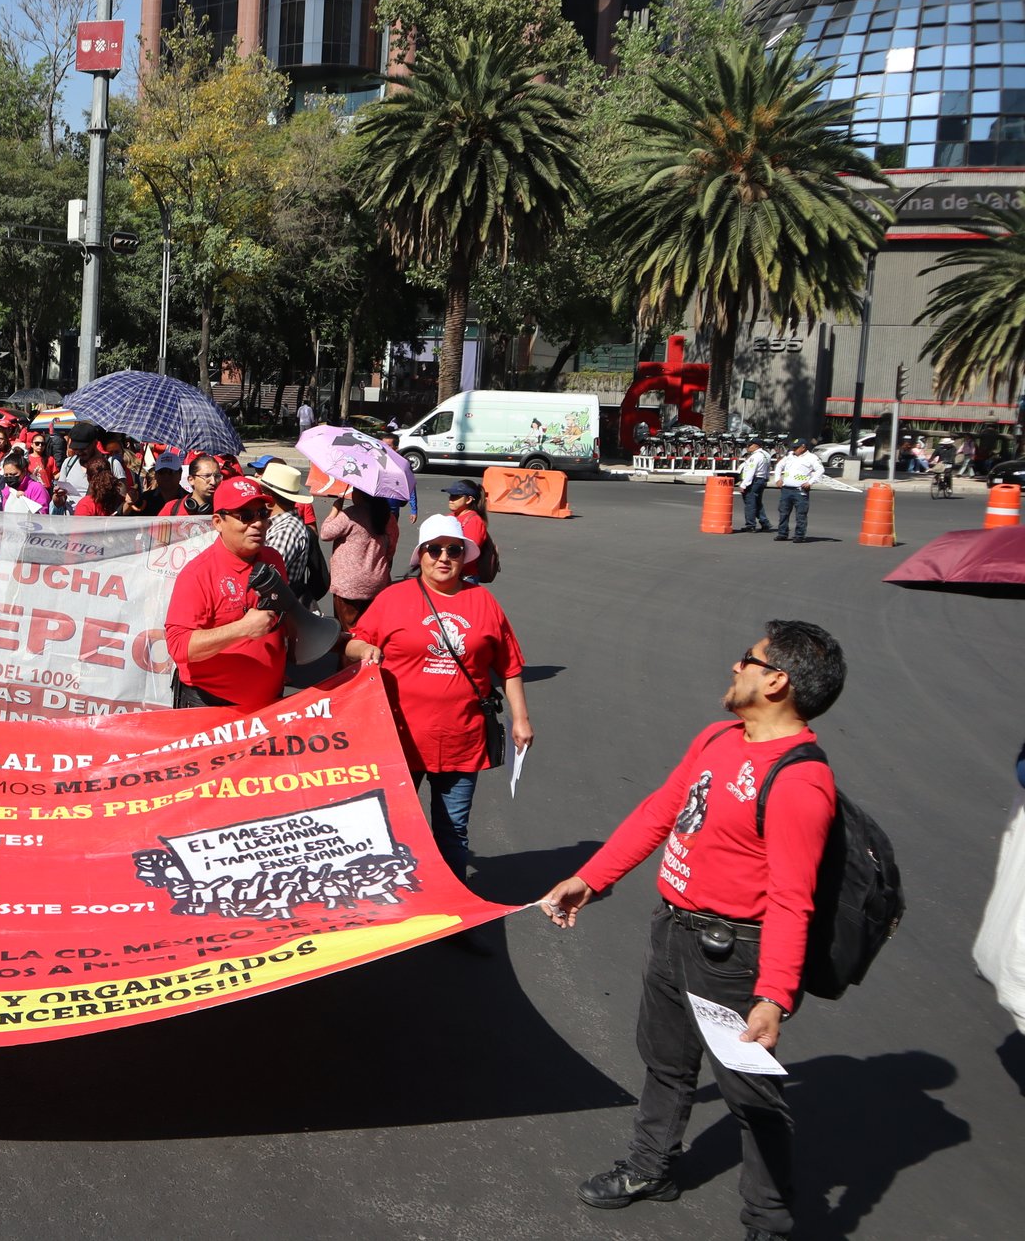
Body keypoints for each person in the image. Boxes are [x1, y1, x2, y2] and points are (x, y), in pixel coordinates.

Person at [539, 622, 846, 1241]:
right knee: (665, 1062)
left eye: (747, 661)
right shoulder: (718, 737)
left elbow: (792, 899)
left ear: (776, 680)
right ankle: (652, 1167)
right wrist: (591, 879)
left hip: (734, 955)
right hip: (673, 930)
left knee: (750, 1096)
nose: (735, 669)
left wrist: (774, 994)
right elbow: (662, 810)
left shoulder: (799, 783)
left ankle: (769, 1222)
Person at [345, 514, 533, 873]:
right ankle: (399, 904)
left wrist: (521, 720)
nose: (444, 557)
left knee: (453, 833)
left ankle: (453, 916)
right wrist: (364, 652)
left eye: (454, 550)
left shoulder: (484, 602)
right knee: (392, 829)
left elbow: (509, 665)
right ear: (421, 554)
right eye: (435, 549)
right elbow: (353, 643)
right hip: (400, 740)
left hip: (461, 740)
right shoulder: (393, 598)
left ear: (464, 556)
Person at [163, 476, 289, 711]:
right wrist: (242, 628)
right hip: (210, 707)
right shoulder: (198, 574)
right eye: (245, 516)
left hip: (268, 704)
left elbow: (287, 615)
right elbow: (179, 646)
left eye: (262, 514)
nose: (258, 523)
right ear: (218, 522)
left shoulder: (274, 559)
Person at [321, 487, 400, 627]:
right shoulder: (388, 517)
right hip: (377, 583)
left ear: (361, 494)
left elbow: (325, 533)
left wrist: (334, 510)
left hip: (349, 584)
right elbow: (390, 550)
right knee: (370, 631)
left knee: (349, 634)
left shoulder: (351, 514)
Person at [256, 461, 316, 595]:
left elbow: (264, 576)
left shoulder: (287, 530)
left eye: (262, 492)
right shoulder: (278, 524)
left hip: (273, 607)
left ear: (269, 497)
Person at [770, 439, 824, 542]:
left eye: (796, 447)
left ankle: (799, 535)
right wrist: (777, 479)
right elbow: (779, 466)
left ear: (803, 447)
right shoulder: (790, 456)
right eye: (793, 447)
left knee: (801, 514)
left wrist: (810, 482)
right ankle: (782, 533)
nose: (794, 449)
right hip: (786, 489)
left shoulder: (811, 458)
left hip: (800, 490)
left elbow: (820, 470)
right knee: (783, 512)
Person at [444, 478, 492, 581]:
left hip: (464, 577)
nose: (451, 499)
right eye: (451, 495)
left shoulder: (474, 522)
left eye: (456, 496)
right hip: (450, 573)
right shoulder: (450, 516)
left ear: (469, 499)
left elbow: (470, 554)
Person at [162, 453, 222, 517]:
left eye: (217, 476)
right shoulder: (172, 508)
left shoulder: (226, 510)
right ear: (191, 480)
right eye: (206, 476)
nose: (213, 482)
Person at [736, 439, 773, 534]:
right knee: (757, 503)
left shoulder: (755, 457)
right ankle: (765, 523)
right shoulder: (766, 455)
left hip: (754, 481)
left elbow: (751, 472)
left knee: (750, 503)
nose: (747, 447)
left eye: (749, 445)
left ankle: (750, 525)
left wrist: (744, 484)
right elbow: (768, 468)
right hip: (762, 480)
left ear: (756, 446)